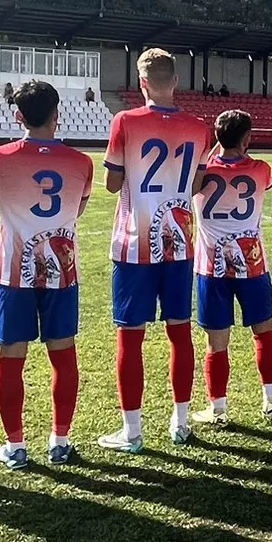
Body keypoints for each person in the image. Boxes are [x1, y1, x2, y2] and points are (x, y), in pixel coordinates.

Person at [98, 48, 212, 452]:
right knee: (180, 334)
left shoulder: (125, 121)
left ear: (141, 83)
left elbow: (113, 184)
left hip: (134, 244)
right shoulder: (199, 127)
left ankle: (132, 432)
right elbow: (197, 185)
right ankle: (180, 424)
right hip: (180, 243)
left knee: (130, 338)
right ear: (176, 80)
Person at [0, 79, 93, 470]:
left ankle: (15, 446)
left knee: (11, 355)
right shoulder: (81, 162)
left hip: (14, 271)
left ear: (17, 115)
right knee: (63, 353)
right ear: (58, 115)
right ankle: (60, 441)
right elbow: (76, 210)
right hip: (61, 269)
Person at [193, 109, 272, 425]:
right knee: (264, 331)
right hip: (253, 265)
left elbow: (191, 184)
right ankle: (271, 400)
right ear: (247, 138)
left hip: (212, 266)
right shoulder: (261, 169)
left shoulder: (201, 174)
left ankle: (218, 408)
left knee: (216, 342)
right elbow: (269, 183)